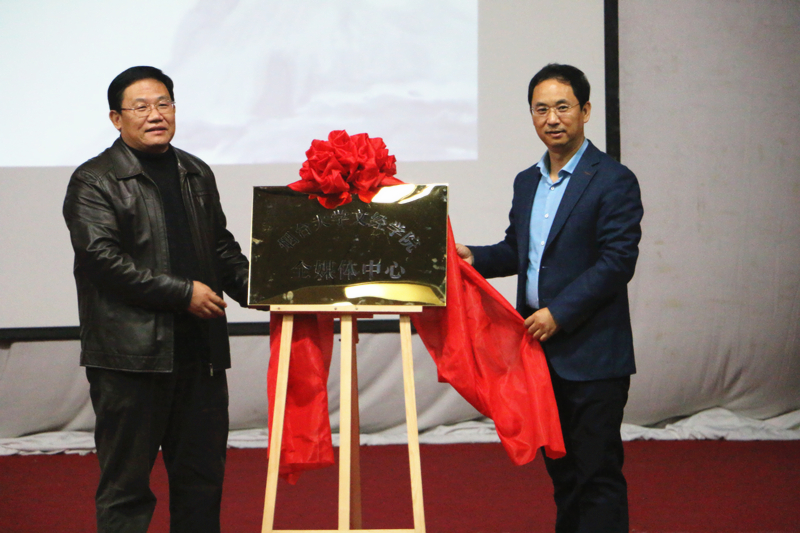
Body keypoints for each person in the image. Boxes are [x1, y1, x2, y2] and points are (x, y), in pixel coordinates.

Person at [456, 63, 643, 532]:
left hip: (594, 355)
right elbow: (518, 250)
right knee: (563, 476)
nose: (552, 119)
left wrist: (559, 312)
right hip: (538, 355)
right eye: (541, 109)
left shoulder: (614, 179)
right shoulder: (528, 181)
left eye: (563, 107)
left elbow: (617, 261)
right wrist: (473, 257)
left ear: (586, 111)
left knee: (597, 473)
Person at [63, 66, 250, 533]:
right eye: (141, 107)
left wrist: (275, 293)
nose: (155, 115)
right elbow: (102, 260)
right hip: (131, 360)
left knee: (202, 484)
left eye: (164, 103)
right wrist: (183, 293)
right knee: (126, 491)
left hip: (200, 355)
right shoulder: (94, 180)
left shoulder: (195, 171)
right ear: (116, 118)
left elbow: (221, 249)